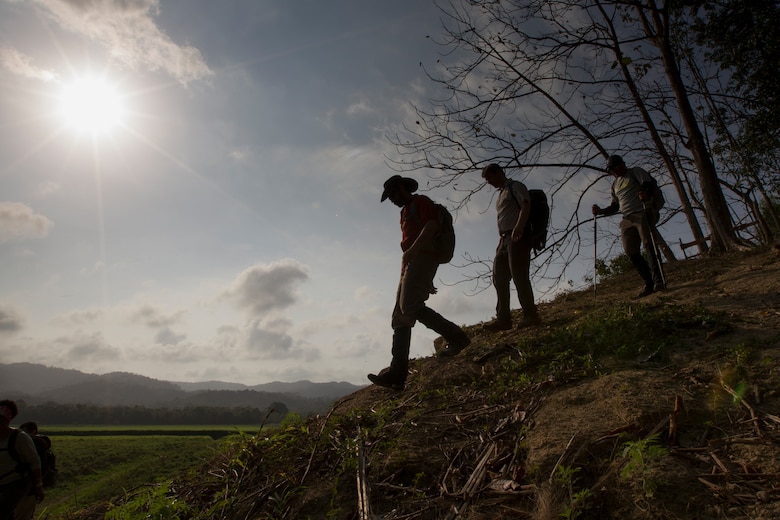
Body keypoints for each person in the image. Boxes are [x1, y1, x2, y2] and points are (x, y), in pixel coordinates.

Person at [368, 175, 471, 390]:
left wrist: (413, 251)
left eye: (393, 195)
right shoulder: (404, 212)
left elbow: (432, 225)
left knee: (411, 307)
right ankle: (397, 373)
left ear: (401, 189)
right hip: (411, 262)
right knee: (400, 315)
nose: (393, 200)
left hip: (422, 256)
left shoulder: (421, 202)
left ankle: (457, 337)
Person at [592, 154, 664, 298]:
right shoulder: (615, 185)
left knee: (649, 245)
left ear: (622, 164)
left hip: (642, 211)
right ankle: (648, 282)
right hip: (626, 218)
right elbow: (614, 206)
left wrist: (646, 194)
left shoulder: (635, 172)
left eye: (615, 167)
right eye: (611, 169)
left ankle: (658, 281)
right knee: (630, 251)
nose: (614, 171)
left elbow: (648, 184)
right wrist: (600, 211)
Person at [481, 164, 540, 331]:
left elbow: (526, 204)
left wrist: (520, 226)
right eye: (487, 179)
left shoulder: (515, 186)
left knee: (519, 275)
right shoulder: (501, 194)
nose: (489, 182)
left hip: (517, 236)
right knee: (498, 278)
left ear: (499, 173)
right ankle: (503, 320)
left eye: (490, 177)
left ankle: (531, 315)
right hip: (503, 239)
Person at [0, 400, 44, 520]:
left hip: (16, 485)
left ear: (7, 420)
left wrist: (38, 486)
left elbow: (34, 461)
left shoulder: (19, 437)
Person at [15, 422, 51, 520]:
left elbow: (37, 465)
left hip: (27, 488)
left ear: (33, 431)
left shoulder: (35, 446)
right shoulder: (38, 445)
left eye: (24, 431)